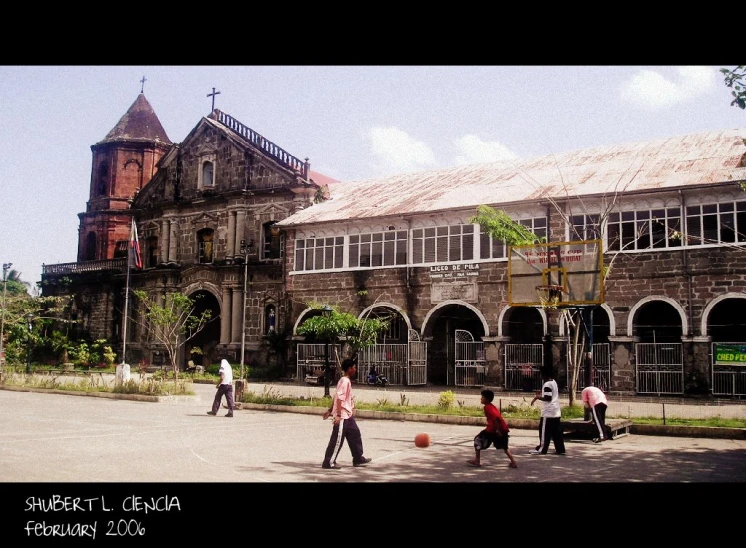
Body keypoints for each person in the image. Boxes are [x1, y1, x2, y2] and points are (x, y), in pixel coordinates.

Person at [321, 358, 372, 470]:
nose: (355, 369)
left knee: (355, 434)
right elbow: (339, 398)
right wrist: (337, 414)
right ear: (349, 369)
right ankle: (328, 462)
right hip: (342, 415)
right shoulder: (344, 381)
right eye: (354, 367)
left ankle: (358, 458)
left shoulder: (346, 381)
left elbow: (336, 397)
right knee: (337, 439)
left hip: (348, 415)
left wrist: (329, 410)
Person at [468, 389, 518, 468]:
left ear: (487, 399)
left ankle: (477, 461)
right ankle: (513, 462)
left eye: (482, 397)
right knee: (505, 447)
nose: (481, 399)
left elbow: (495, 418)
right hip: (502, 429)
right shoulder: (492, 406)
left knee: (477, 440)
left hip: (493, 430)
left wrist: (497, 430)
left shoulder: (487, 407)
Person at [528, 365, 566, 455]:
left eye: (541, 374)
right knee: (556, 432)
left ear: (545, 374)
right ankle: (560, 449)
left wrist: (538, 397)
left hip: (548, 412)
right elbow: (550, 394)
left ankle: (542, 449)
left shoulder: (547, 384)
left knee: (544, 431)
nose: (541, 376)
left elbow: (548, 398)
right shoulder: (553, 382)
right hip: (556, 412)